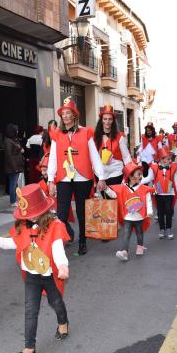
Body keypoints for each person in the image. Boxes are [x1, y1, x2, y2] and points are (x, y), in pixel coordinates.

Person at [0, 183, 70, 353]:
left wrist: (63, 266)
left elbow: (58, 248)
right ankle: (29, 348)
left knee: (55, 302)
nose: (33, 218)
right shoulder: (22, 227)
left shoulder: (54, 225)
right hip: (31, 276)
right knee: (30, 310)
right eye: (29, 215)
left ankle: (63, 322)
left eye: (36, 214)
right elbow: (13, 243)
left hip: (49, 275)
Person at [47, 97, 107, 256]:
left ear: (74, 115)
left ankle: (82, 241)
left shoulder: (86, 132)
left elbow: (95, 156)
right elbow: (53, 158)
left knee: (81, 212)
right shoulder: (57, 134)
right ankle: (62, 239)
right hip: (64, 178)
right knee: (61, 213)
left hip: (82, 178)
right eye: (63, 113)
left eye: (69, 113)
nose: (65, 116)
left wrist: (101, 177)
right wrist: (50, 180)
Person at [104, 161, 155, 261]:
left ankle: (140, 246)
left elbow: (148, 200)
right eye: (139, 174)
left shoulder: (144, 188)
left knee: (140, 233)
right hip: (127, 217)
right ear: (130, 176)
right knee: (126, 234)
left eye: (141, 174)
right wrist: (106, 189)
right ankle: (124, 252)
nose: (141, 176)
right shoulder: (123, 188)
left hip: (139, 217)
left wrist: (149, 211)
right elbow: (114, 195)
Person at [94, 104, 133, 186]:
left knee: (114, 197)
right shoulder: (95, 137)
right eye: (105, 119)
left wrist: (131, 172)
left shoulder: (120, 137)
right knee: (103, 198)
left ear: (113, 121)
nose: (107, 122)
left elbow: (126, 157)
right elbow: (94, 156)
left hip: (116, 172)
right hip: (101, 174)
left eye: (110, 119)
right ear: (101, 120)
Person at [147, 147, 177, 240]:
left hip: (169, 194)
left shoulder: (173, 167)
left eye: (170, 159)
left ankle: (169, 228)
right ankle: (162, 229)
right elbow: (149, 178)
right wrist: (138, 182)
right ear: (160, 159)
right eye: (166, 158)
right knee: (160, 212)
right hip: (158, 193)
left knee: (169, 211)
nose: (169, 161)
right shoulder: (154, 167)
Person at [5, 123, 25, 207]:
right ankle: (13, 201)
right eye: (15, 130)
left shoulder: (12, 140)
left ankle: (15, 199)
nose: (17, 131)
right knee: (13, 184)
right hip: (13, 166)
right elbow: (9, 155)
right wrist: (14, 167)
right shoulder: (9, 141)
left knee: (14, 183)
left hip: (15, 165)